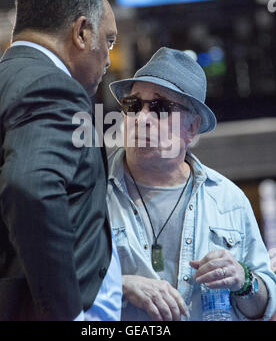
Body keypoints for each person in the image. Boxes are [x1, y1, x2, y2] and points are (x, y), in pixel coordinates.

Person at [0, 0, 121, 321]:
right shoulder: (51, 87)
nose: (107, 57)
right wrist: (64, 312)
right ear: (82, 32)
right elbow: (31, 187)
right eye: (109, 40)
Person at [106, 47, 276, 321]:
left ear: (192, 128)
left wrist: (244, 281)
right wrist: (118, 286)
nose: (141, 119)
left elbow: (262, 308)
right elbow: (53, 284)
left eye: (160, 108)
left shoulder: (228, 200)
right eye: (133, 105)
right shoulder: (91, 194)